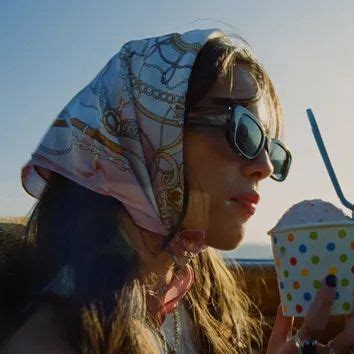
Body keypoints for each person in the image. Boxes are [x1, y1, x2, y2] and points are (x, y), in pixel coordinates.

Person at [2, 28, 353, 353]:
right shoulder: (52, 341)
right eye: (244, 131)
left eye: (273, 148)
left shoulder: (196, 288)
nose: (266, 165)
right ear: (145, 135)